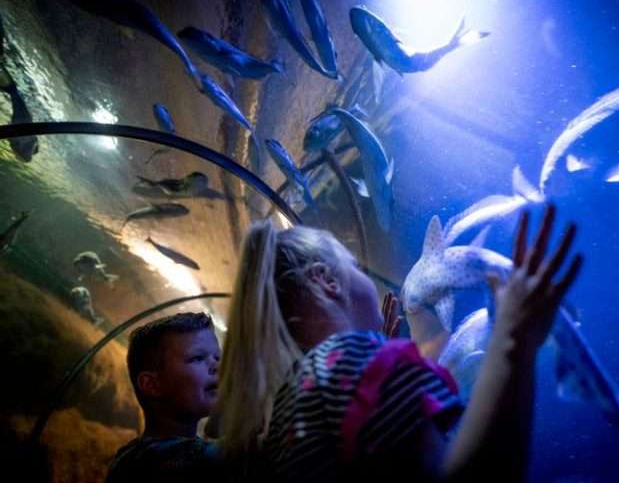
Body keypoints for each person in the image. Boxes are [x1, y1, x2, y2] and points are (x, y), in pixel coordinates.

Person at [215, 204, 581, 482]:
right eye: (355, 267)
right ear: (326, 280)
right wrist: (513, 339)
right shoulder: (349, 361)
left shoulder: (291, 400)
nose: (366, 280)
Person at [106, 312, 222, 483]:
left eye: (217, 357)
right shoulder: (145, 461)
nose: (217, 366)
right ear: (152, 385)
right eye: (197, 358)